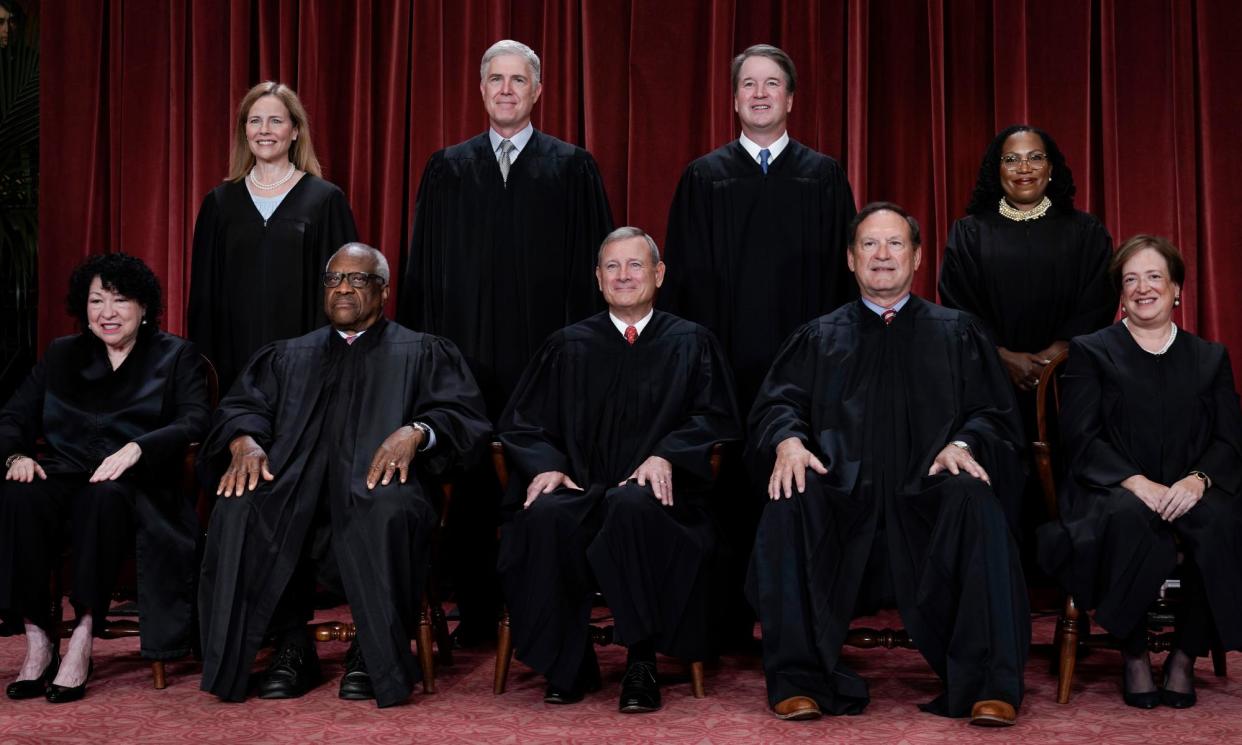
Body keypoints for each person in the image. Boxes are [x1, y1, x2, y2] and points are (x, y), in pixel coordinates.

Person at [746, 202, 1029, 726]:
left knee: (975, 499)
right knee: (791, 498)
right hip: (842, 496)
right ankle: (798, 679)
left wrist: (963, 446)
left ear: (917, 257)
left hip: (929, 494)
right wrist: (787, 441)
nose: (882, 255)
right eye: (869, 245)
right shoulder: (818, 337)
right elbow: (778, 405)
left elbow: (994, 415)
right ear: (851, 260)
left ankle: (988, 684)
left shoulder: (957, 332)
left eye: (895, 243)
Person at [197, 243, 490, 708]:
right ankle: (291, 645)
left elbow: (463, 419)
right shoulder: (287, 356)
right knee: (242, 506)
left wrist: (417, 431)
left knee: (388, 509)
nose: (343, 289)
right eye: (334, 280)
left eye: (358, 279)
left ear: (384, 290)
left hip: (378, 489)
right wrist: (244, 440)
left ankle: (372, 653)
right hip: (295, 487)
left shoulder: (422, 351)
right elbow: (241, 408)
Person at [398, 38, 613, 644]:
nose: (507, 90)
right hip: (465, 362)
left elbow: (597, 275)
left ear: (538, 91)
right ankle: (475, 613)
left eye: (519, 80)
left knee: (544, 482)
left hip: (548, 362)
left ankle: (546, 612)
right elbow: (422, 273)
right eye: (496, 79)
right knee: (468, 486)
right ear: (482, 89)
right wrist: (426, 361)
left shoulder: (572, 168)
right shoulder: (448, 168)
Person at [660, 45, 857, 644]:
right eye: (750, 84)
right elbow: (683, 285)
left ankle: (799, 622)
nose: (762, 94)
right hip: (724, 365)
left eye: (773, 84)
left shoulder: (822, 176)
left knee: (797, 486)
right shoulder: (703, 177)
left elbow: (841, 279)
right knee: (724, 489)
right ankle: (720, 621)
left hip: (804, 372)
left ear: (791, 98)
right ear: (735, 98)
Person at [497, 227, 741, 712]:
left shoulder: (692, 343)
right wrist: (547, 466)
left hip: (662, 499)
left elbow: (717, 418)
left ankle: (642, 660)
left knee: (633, 505)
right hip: (583, 488)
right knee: (545, 516)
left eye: (635, 265)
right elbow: (521, 424)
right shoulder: (567, 345)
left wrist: (667, 454)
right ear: (598, 278)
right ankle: (568, 663)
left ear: (658, 274)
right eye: (612, 267)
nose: (624, 276)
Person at [1038, 235, 1242, 709]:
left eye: (1154, 277)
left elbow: (1231, 441)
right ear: (1120, 293)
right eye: (1131, 279)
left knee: (1221, 523)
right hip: (1113, 486)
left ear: (1177, 289)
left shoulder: (1209, 358)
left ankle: (1184, 655)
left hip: (1190, 487)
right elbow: (1081, 438)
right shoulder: (1093, 351)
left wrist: (1198, 480)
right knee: (1128, 520)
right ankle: (1132, 653)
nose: (1142, 288)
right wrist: (1136, 482)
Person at [0, 253, 210, 703]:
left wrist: (139, 447)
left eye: (120, 300)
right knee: (19, 496)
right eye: (97, 301)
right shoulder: (62, 354)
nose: (107, 313)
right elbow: (14, 415)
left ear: (144, 308)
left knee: (103, 497)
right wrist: (16, 454)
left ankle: (82, 637)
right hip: (64, 473)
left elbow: (195, 420)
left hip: (138, 485)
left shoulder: (175, 355)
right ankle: (39, 638)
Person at [939, 124, 1116, 431]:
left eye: (1035, 157)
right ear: (997, 170)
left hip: (1069, 378)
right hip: (991, 382)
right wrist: (1001, 356)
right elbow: (958, 306)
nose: (1024, 168)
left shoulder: (1085, 231)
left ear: (1051, 168)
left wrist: (1060, 349)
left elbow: (1099, 296)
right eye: (1011, 159)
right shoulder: (969, 233)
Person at [188, 81, 359, 392]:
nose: (264, 130)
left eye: (275, 120)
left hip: (309, 368)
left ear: (295, 131)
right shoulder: (220, 203)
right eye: (255, 121)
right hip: (234, 367)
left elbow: (344, 291)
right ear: (245, 132)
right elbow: (203, 298)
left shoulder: (325, 200)